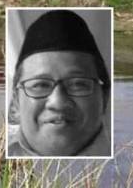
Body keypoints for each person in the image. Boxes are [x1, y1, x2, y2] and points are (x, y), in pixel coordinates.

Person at [8, 10, 111, 157]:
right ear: (15, 104)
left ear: (104, 97)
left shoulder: (129, 157)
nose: (58, 102)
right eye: (40, 85)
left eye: (77, 84)